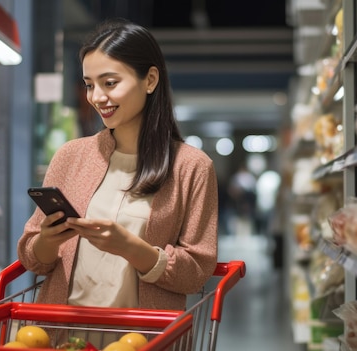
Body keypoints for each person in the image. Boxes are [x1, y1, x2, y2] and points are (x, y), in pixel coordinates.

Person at [17, 18, 219, 312]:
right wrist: (47, 240)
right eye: (89, 85)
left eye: (110, 83)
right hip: (63, 330)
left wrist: (133, 248)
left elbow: (196, 272)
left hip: (141, 336)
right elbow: (31, 256)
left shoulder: (192, 167)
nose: (97, 97)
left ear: (150, 80)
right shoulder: (70, 156)